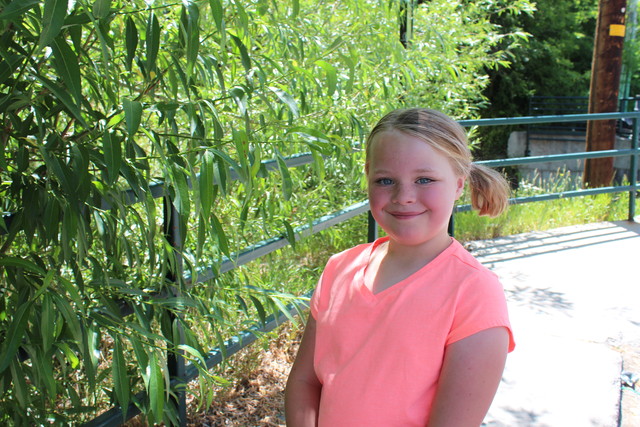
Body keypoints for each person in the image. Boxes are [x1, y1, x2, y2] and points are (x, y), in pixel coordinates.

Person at [285, 108, 515, 427]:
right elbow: (305, 383)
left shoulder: (475, 294)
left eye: (424, 179)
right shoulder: (339, 270)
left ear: (459, 184)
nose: (403, 196)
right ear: (367, 176)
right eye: (386, 180)